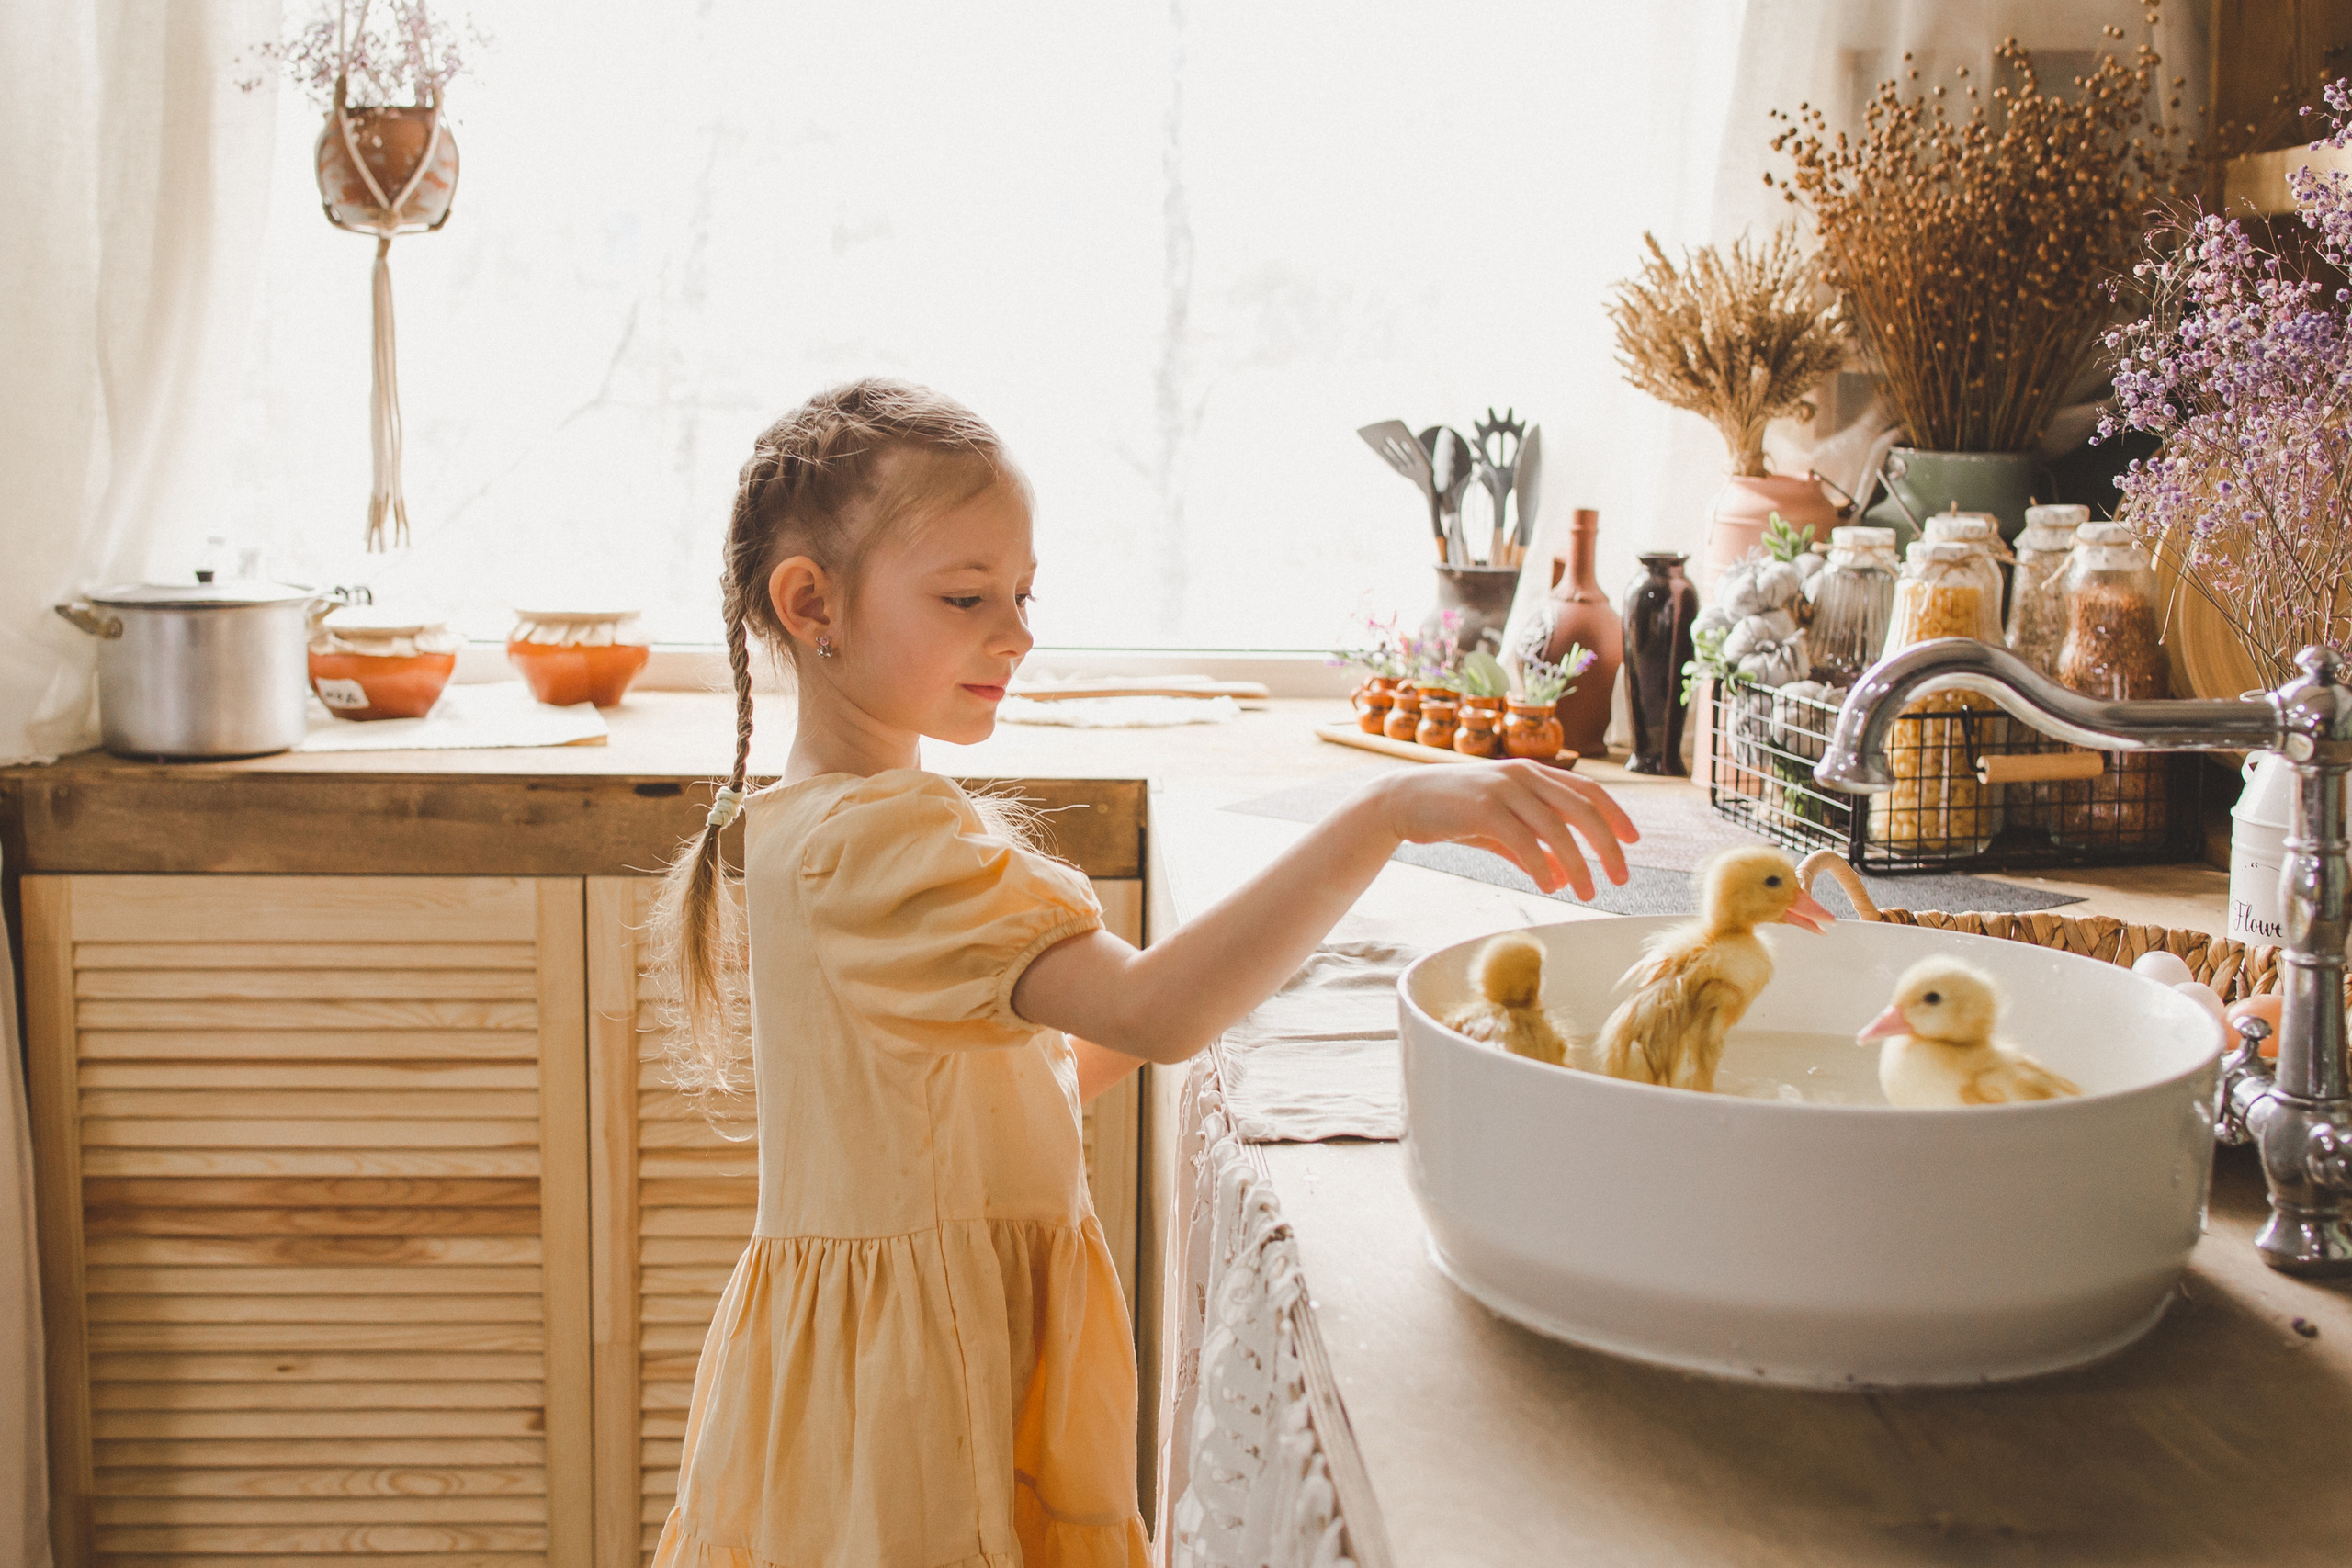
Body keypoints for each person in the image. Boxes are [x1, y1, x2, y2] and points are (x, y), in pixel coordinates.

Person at [646, 378, 1637, 1568]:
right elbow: (1156, 1012)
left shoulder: (810, 822)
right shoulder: (887, 842)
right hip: (926, 1395)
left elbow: (1026, 1076)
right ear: (812, 604)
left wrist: (1254, 978)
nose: (1014, 633)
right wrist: (1388, 812)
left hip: (871, 1375)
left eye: (1021, 594)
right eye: (967, 597)